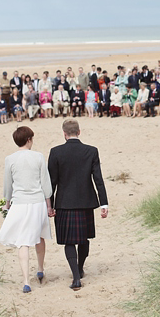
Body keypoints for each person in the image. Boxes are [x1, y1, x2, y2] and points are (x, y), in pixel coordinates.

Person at [48, 119, 109, 290]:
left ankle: (76, 277)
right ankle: (80, 268)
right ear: (79, 132)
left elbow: (51, 183)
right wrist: (104, 203)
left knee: (69, 241)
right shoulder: (91, 151)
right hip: (86, 202)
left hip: (64, 203)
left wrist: (49, 205)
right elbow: (98, 179)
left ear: (64, 134)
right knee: (84, 239)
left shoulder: (55, 152)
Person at [0, 127, 53, 294]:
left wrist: (7, 203)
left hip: (20, 203)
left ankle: (26, 281)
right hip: (37, 202)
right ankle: (40, 269)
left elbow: (8, 185)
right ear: (29, 139)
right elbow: (45, 184)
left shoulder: (10, 159)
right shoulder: (39, 157)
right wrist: (49, 204)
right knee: (39, 236)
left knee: (23, 241)